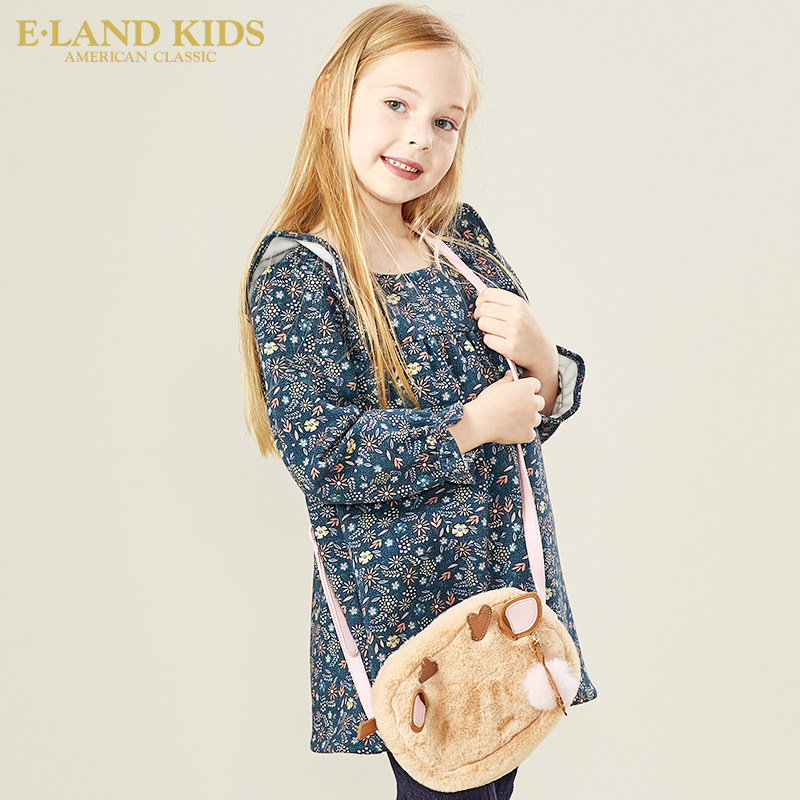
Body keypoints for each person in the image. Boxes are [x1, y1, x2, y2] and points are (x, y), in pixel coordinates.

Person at [238, 3, 597, 797]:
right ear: (334, 99)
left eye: (445, 122)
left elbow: (525, 413)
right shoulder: (303, 273)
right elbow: (325, 454)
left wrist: (542, 357)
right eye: (396, 105)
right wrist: (469, 426)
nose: (418, 138)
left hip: (500, 588)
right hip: (410, 609)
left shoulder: (459, 241)